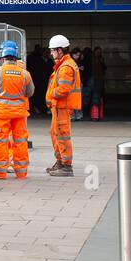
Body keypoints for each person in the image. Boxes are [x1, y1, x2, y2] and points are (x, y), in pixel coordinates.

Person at [0, 40, 34, 181]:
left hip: (2, 114)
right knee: (20, 141)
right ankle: (22, 173)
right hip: (19, 114)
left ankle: (0, 172)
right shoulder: (25, 74)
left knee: (0, 142)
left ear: (2, 56)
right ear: (16, 56)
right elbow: (30, 92)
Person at [45, 34, 80, 177]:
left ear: (60, 50)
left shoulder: (66, 67)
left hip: (62, 107)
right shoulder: (63, 65)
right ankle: (60, 161)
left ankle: (66, 166)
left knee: (62, 135)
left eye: (53, 50)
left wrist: (50, 94)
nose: (51, 53)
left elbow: (63, 90)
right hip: (59, 107)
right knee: (55, 134)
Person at [92, 47, 107, 119]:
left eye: (99, 52)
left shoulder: (101, 59)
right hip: (94, 79)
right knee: (95, 96)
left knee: (99, 96)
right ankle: (95, 115)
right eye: (97, 51)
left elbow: (104, 69)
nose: (98, 53)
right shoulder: (92, 59)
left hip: (99, 79)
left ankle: (98, 115)